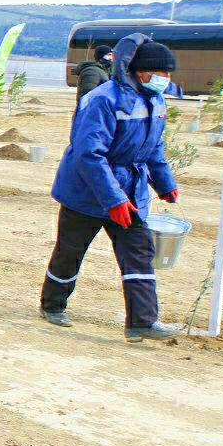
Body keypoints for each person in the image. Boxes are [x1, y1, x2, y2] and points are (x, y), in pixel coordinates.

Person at [40, 36, 181, 343]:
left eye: (169, 74)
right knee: (70, 252)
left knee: (138, 253)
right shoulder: (103, 99)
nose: (165, 80)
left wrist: (165, 183)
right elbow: (89, 154)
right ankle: (52, 305)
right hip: (86, 193)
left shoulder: (155, 101)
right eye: (160, 73)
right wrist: (113, 198)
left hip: (131, 192)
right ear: (139, 70)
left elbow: (154, 149)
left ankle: (142, 322)